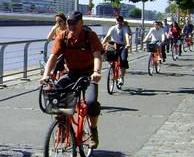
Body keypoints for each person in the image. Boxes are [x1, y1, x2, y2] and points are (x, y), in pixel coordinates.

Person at [40, 11, 103, 148]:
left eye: (75, 23)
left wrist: (96, 72)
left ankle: (93, 131)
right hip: (72, 73)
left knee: (91, 102)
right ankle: (62, 124)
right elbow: (53, 57)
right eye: (69, 23)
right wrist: (46, 74)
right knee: (56, 91)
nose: (72, 26)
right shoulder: (63, 36)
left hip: (88, 74)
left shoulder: (90, 36)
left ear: (81, 23)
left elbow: (97, 55)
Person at [102, 15, 131, 86]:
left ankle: (121, 77)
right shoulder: (112, 28)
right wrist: (101, 44)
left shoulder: (125, 28)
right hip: (113, 44)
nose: (119, 22)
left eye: (120, 20)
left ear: (122, 21)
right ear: (116, 21)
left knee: (123, 60)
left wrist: (128, 44)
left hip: (122, 45)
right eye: (118, 20)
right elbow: (107, 36)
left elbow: (127, 35)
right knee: (108, 55)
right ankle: (112, 66)